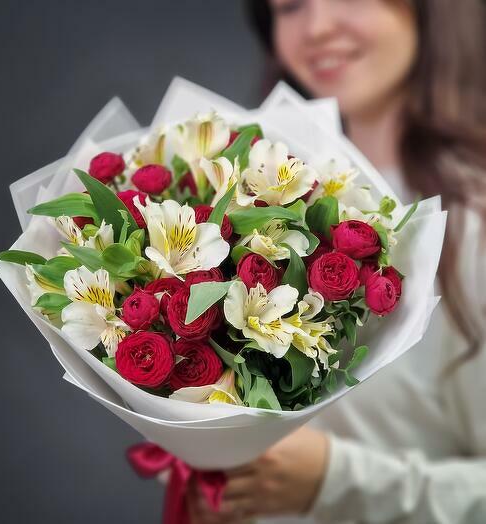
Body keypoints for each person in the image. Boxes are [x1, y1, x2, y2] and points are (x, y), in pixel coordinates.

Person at [187, 0, 486, 522]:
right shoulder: (250, 207)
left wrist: (337, 481)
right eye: (290, 7)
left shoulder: (472, 223)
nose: (318, 27)